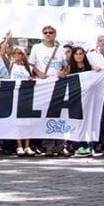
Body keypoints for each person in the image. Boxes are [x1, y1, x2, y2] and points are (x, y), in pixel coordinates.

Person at [29, 25, 68, 157]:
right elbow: (31, 64)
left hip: (58, 83)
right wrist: (39, 73)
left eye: (51, 32)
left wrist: (63, 73)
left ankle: (61, 145)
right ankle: (48, 146)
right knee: (47, 115)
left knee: (61, 114)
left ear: (55, 34)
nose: (48, 34)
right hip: (44, 84)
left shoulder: (61, 49)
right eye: (45, 32)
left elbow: (66, 66)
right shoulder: (37, 48)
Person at [66, 46, 94, 157]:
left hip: (87, 99)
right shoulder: (69, 68)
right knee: (75, 122)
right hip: (74, 99)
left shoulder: (89, 67)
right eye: (76, 54)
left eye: (81, 53)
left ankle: (88, 145)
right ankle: (77, 146)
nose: (79, 56)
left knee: (87, 122)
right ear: (73, 56)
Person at [9, 46, 36, 157]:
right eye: (15, 53)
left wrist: (31, 79)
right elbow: (2, 54)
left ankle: (27, 146)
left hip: (27, 95)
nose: (17, 55)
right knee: (17, 122)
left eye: (20, 53)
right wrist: (7, 39)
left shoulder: (28, 67)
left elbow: (34, 77)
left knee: (27, 121)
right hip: (15, 95)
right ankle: (19, 146)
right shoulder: (11, 65)